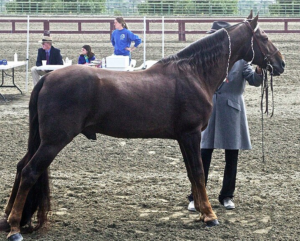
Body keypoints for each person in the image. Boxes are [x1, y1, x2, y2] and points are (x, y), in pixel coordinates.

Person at [187, 21, 263, 212]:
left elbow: (253, 80)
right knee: (203, 155)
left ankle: (227, 196)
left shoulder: (240, 61)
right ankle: (195, 194)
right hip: (209, 108)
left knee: (232, 156)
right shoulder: (206, 59)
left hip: (232, 110)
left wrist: (260, 70)